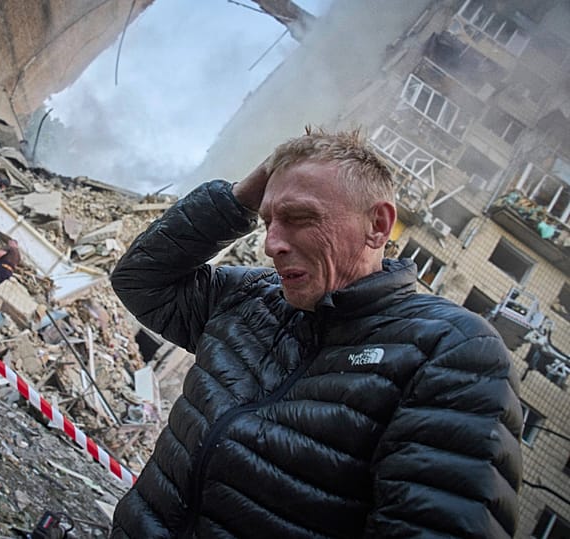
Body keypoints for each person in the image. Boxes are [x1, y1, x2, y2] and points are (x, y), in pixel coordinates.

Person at [109, 128, 522, 538]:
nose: (271, 244)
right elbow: (141, 280)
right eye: (268, 221)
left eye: (299, 218)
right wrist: (241, 198)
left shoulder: (449, 349)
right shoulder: (249, 298)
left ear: (378, 225)